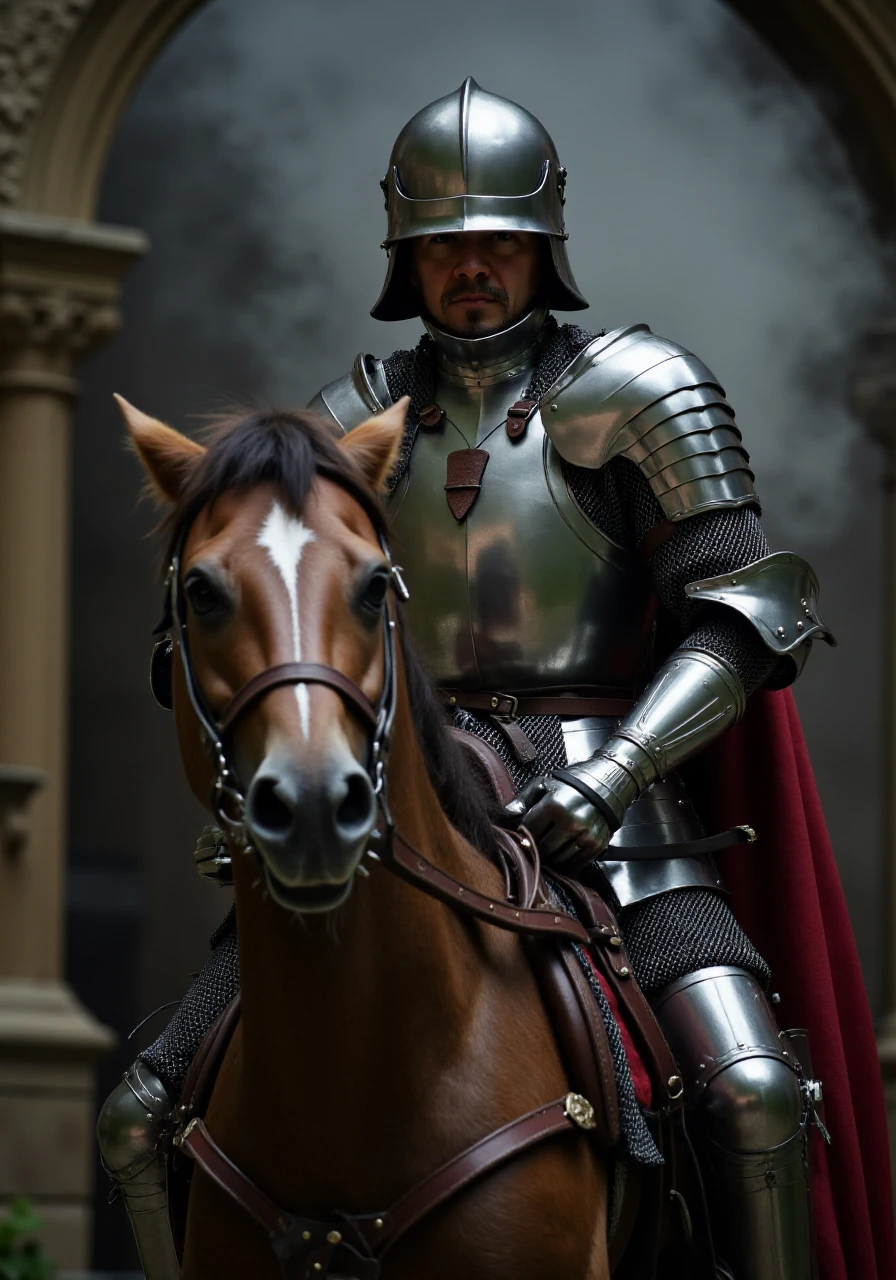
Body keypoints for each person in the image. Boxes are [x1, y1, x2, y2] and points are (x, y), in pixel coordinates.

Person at [99, 79, 892, 1280]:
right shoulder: (345, 423)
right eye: (443, 243)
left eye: (498, 239)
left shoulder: (639, 390)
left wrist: (617, 769)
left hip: (616, 828)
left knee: (751, 1094)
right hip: (391, 807)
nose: (471, 265)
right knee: (143, 1111)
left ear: (544, 246)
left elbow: (748, 611)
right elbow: (242, 622)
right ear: (404, 260)